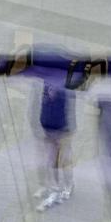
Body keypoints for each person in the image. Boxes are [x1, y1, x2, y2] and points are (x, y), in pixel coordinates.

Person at [33, 80, 75, 211]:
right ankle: (52, 188)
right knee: (50, 160)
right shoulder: (45, 83)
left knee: (63, 160)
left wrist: (69, 129)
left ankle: (66, 186)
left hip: (62, 129)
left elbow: (70, 108)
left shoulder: (66, 83)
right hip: (48, 127)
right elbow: (42, 103)